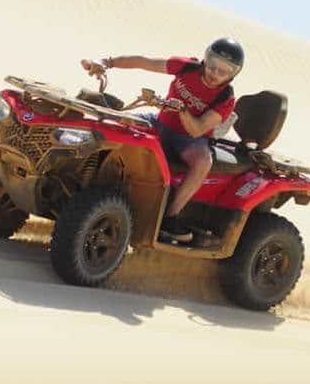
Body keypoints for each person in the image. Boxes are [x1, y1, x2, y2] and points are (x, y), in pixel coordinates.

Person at [80, 38, 244, 243]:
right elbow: (144, 62)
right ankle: (86, 175)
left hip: (189, 139)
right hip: (159, 123)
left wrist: (182, 110)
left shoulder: (226, 98)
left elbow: (198, 129)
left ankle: (170, 216)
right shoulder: (186, 66)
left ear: (233, 74)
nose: (214, 74)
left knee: (203, 162)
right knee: (116, 123)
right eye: (212, 66)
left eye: (223, 72)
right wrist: (107, 62)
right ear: (206, 59)